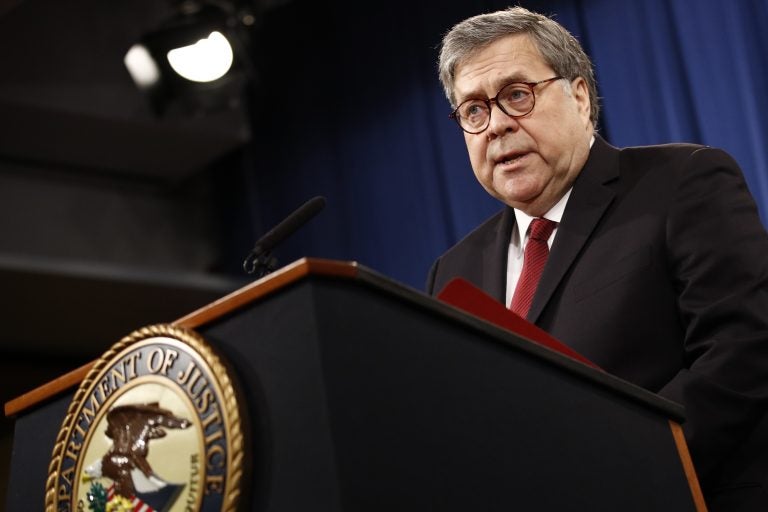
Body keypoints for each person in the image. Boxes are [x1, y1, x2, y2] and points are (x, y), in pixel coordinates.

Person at [426, 6, 768, 511]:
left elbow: (742, 348)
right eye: (473, 110)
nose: (496, 125)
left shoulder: (682, 182)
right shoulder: (452, 272)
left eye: (516, 95)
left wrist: (617, 473)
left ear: (581, 97)